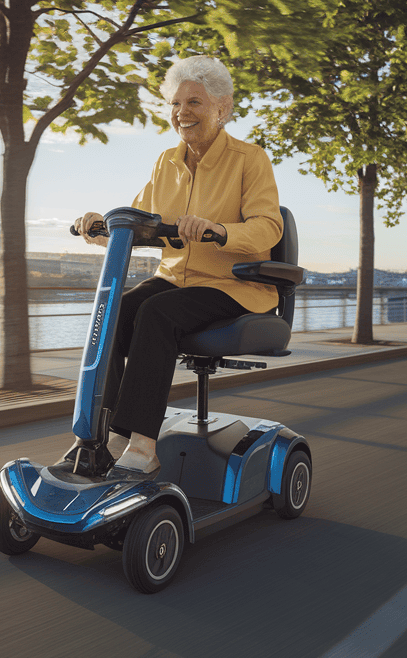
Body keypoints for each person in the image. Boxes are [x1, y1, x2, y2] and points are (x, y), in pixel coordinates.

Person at [72, 55, 284, 480]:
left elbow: (268, 228)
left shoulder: (249, 159)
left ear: (222, 108)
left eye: (194, 102)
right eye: (175, 103)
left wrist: (219, 231)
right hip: (174, 279)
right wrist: (101, 226)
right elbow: (142, 220)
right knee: (114, 311)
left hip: (230, 285)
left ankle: (143, 445)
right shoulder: (166, 162)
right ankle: (103, 438)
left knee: (156, 313)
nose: (181, 112)